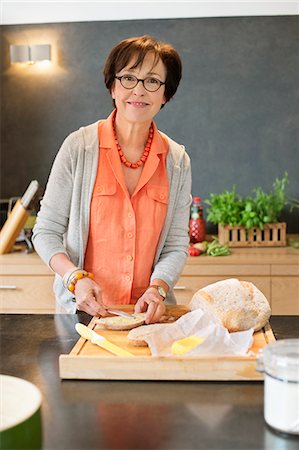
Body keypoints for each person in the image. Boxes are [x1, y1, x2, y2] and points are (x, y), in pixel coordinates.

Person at [32, 35, 192, 324]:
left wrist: (158, 289)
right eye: (129, 78)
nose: (139, 91)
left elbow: (176, 245)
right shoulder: (78, 147)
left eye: (153, 81)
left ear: (165, 94)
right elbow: (45, 232)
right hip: (80, 313)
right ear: (113, 86)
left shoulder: (177, 161)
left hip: (147, 317)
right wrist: (74, 278)